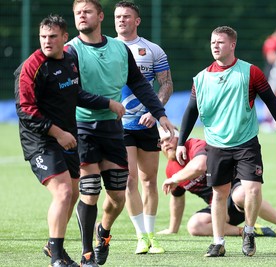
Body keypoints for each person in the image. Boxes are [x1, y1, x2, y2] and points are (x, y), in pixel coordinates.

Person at [66, 1, 175, 266]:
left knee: (117, 195)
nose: (82, 16)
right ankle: (87, 253)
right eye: (78, 12)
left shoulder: (123, 50)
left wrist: (159, 113)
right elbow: (70, 90)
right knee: (93, 189)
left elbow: (141, 83)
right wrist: (106, 104)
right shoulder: (70, 50)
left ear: (98, 16)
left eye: (87, 11)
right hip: (85, 128)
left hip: (114, 129)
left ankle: (103, 231)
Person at [14, 14, 125, 267]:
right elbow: (26, 111)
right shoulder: (30, 68)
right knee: (64, 192)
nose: (47, 41)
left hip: (67, 138)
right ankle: (56, 259)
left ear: (65, 38)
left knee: (74, 194)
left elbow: (76, 94)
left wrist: (107, 103)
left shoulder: (70, 60)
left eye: (53, 36)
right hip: (40, 140)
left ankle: (56, 248)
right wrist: (58, 133)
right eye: (43, 36)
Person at [176, 26, 276, 257]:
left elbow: (270, 100)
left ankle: (249, 232)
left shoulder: (250, 72)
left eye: (220, 42)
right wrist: (181, 141)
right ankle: (218, 242)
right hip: (216, 145)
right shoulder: (201, 78)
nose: (215, 46)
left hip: (246, 142)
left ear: (232, 45)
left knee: (252, 189)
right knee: (219, 194)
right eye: (212, 42)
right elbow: (191, 111)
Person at [158, 128, 276, 239]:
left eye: (169, 138)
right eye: (161, 142)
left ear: (180, 139)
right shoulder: (170, 170)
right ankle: (248, 231)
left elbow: (200, 165)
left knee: (242, 195)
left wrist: (175, 178)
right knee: (194, 225)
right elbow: (177, 198)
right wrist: (173, 229)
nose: (165, 144)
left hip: (233, 191)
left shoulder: (194, 145)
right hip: (220, 209)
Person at [114, 1, 173, 255]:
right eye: (118, 16)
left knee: (150, 180)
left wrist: (154, 111)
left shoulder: (153, 50)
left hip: (147, 123)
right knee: (130, 179)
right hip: (120, 125)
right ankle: (140, 236)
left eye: (127, 16)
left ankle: (152, 237)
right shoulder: (108, 49)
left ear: (137, 21)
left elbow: (166, 84)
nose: (121, 20)